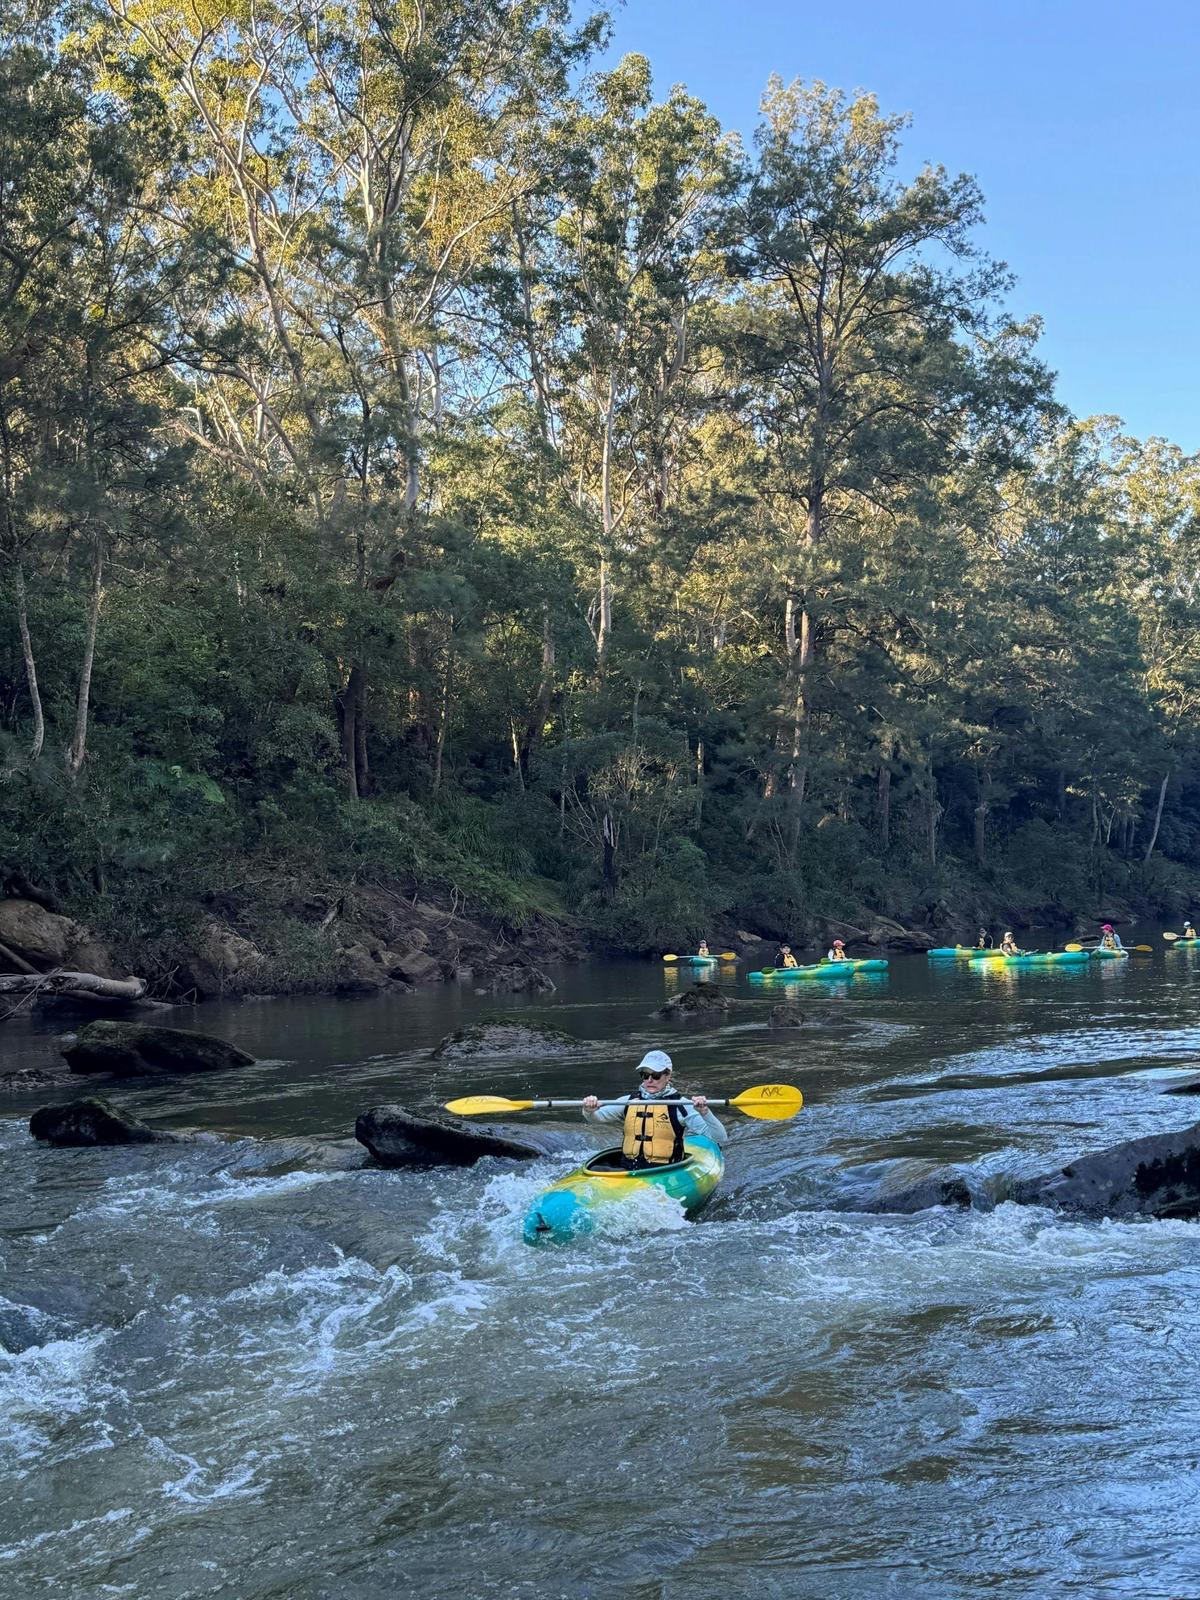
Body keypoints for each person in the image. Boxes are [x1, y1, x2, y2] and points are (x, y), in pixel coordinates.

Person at [581, 1051, 728, 1168]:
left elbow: (719, 1139)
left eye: (656, 1075)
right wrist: (589, 1110)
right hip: (628, 1168)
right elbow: (596, 1118)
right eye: (645, 1075)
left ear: (668, 1075)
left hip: (664, 1171)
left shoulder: (681, 1106)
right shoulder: (628, 1102)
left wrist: (704, 1112)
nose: (650, 1080)